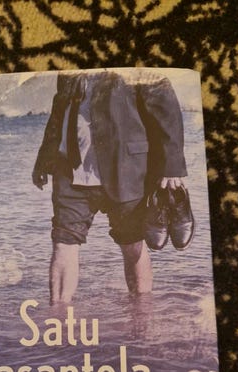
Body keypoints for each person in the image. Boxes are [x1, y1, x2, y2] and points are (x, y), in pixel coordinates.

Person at [32, 69, 192, 304]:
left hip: (125, 169)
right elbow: (59, 110)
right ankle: (58, 314)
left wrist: (172, 167)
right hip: (70, 171)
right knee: (63, 242)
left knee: (132, 243)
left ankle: (141, 312)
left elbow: (166, 108)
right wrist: (44, 159)